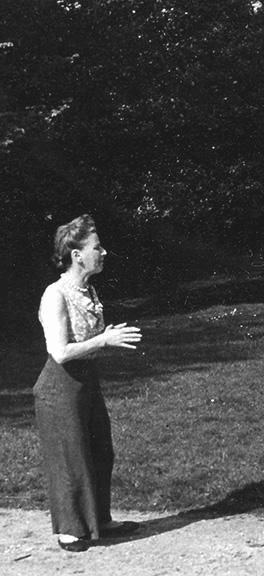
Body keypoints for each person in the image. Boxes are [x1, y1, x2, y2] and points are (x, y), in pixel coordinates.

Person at [34, 215, 143, 552]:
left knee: (100, 451)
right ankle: (70, 529)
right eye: (97, 247)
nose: (103, 252)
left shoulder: (88, 290)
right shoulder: (56, 294)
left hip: (86, 382)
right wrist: (104, 340)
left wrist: (104, 338)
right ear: (77, 255)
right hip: (60, 387)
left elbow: (86, 341)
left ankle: (101, 520)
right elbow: (60, 352)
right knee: (70, 457)